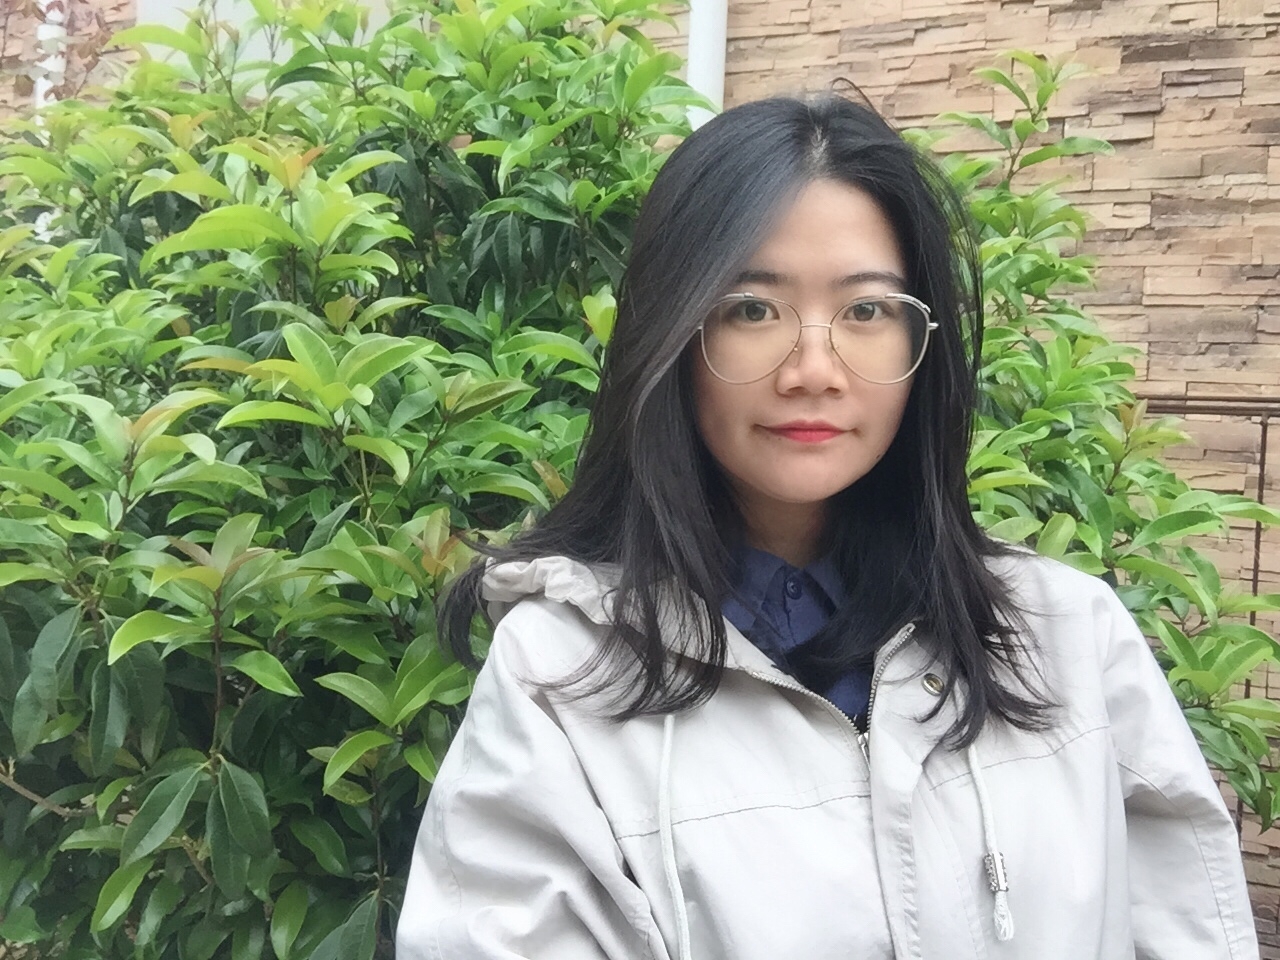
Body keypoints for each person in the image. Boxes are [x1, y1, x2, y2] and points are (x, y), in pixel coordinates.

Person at [396, 94, 1258, 959]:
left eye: (867, 311)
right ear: (674, 334)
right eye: (752, 308)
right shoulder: (560, 675)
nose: (814, 370)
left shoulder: (1068, 636)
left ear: (921, 344)